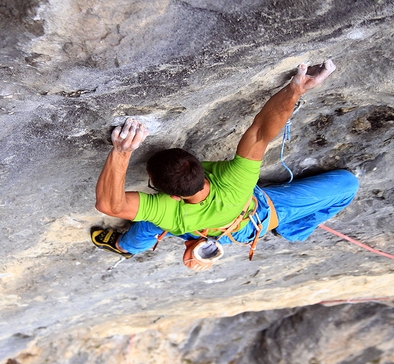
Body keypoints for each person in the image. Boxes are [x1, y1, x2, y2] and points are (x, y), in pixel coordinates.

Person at [92, 60, 359, 268]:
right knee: (348, 185)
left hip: (223, 226)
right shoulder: (235, 177)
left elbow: (111, 205)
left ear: (171, 195)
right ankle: (293, 228)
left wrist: (122, 151)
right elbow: (261, 131)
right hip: (255, 215)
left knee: (150, 221)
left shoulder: (167, 211)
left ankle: (125, 247)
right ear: (200, 166)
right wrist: (295, 89)